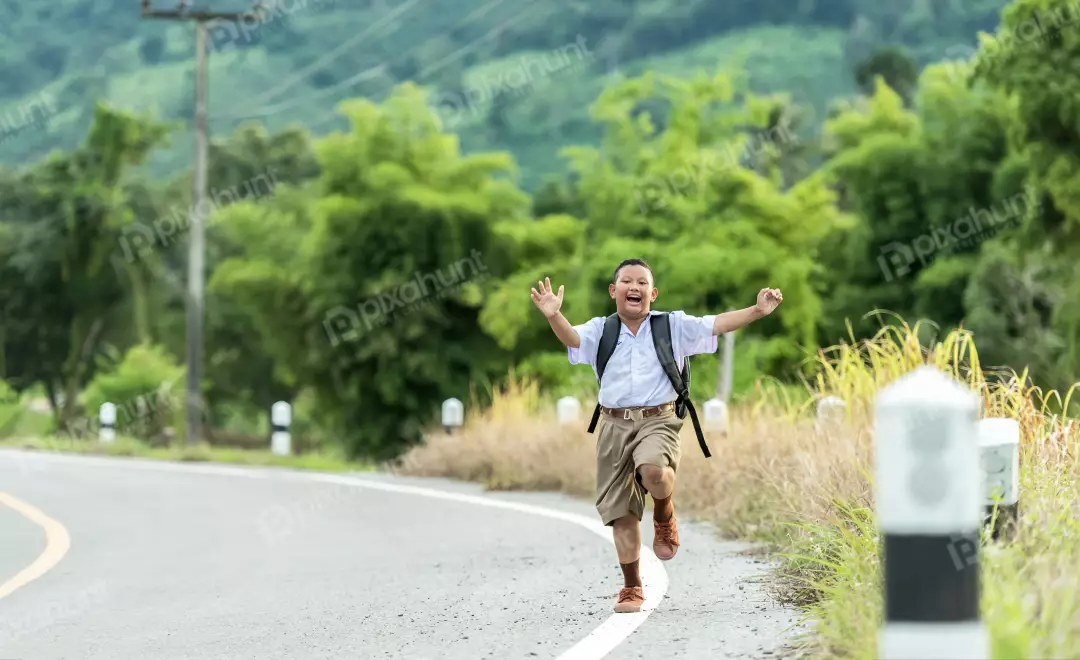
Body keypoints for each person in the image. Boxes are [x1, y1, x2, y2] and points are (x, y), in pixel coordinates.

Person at [529, 258, 783, 613]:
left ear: (653, 292)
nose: (635, 288)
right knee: (622, 513)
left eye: (642, 283)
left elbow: (717, 324)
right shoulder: (601, 330)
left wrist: (757, 310)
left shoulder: (672, 326)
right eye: (627, 282)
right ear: (613, 291)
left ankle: (664, 512)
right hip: (613, 425)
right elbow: (572, 338)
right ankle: (632, 586)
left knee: (654, 471)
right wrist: (554, 315)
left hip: (658, 419)